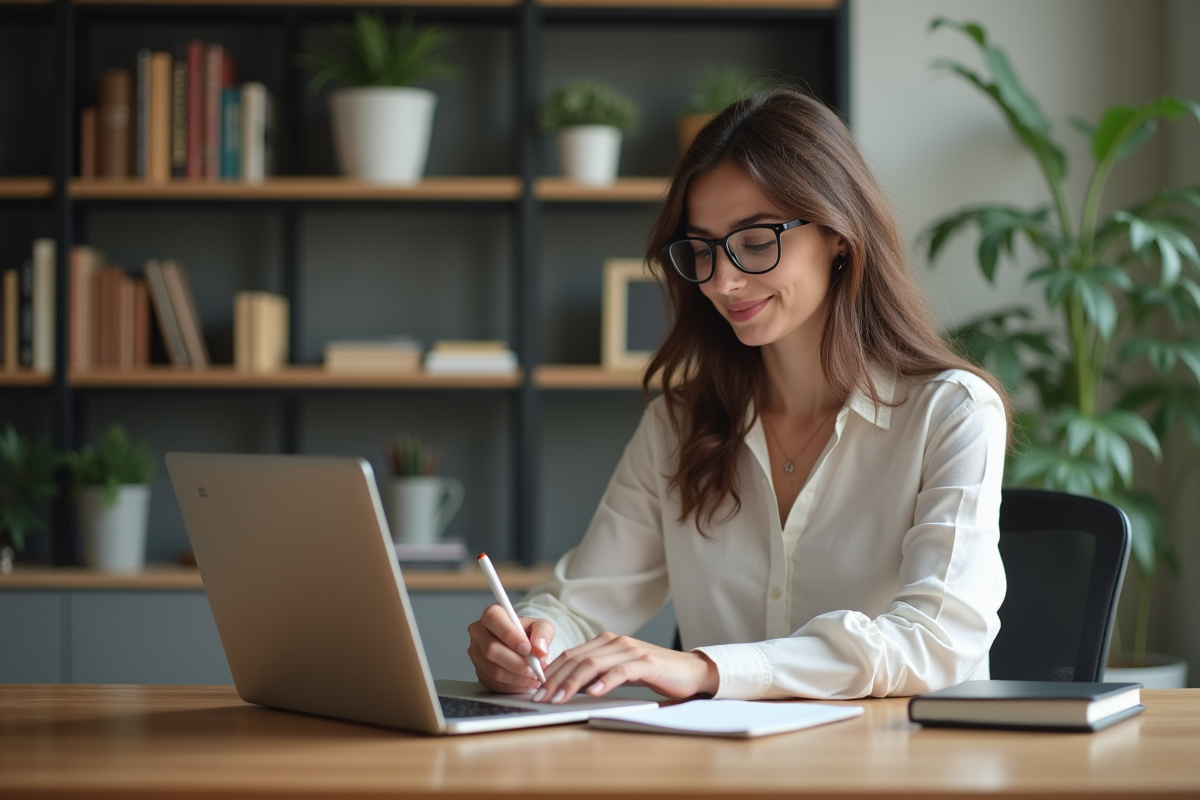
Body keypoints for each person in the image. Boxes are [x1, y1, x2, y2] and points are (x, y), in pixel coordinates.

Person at [467, 88, 1010, 703]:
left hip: (901, 755)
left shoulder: (952, 414)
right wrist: (530, 642)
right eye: (702, 249)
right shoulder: (679, 424)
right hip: (726, 758)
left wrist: (708, 670)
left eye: (755, 242)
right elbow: (582, 604)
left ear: (838, 233)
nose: (723, 281)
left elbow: (936, 640)